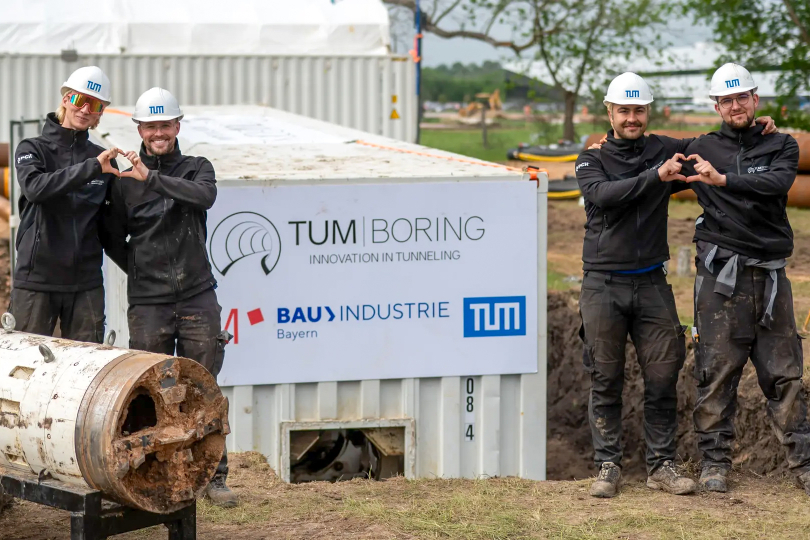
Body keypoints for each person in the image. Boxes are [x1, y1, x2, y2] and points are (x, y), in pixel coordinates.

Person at [102, 87, 237, 508]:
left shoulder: (198, 168)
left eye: (165, 125)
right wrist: (141, 271)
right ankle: (148, 475)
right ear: (139, 128)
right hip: (149, 303)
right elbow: (111, 237)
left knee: (203, 387)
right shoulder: (122, 184)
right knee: (148, 392)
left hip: (197, 297)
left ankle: (214, 477)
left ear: (177, 126)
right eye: (151, 126)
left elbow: (205, 197)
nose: (158, 133)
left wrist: (151, 178)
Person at [682, 63, 810, 495]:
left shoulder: (782, 145)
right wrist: (608, 141)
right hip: (721, 280)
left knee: (786, 374)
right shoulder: (700, 146)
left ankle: (804, 464)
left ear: (756, 99)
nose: (735, 106)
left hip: (771, 279)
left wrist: (725, 180)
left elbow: (776, 183)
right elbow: (644, 148)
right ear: (715, 105)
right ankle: (714, 462)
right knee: (716, 372)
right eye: (727, 100)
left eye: (743, 98)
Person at [11, 66, 121, 342]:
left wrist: (142, 271)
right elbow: (36, 189)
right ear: (64, 100)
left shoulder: (103, 159)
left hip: (86, 286)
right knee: (27, 368)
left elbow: (111, 228)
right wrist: (92, 168)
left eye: (93, 104)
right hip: (37, 282)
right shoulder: (32, 149)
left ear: (100, 112)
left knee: (88, 371)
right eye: (77, 100)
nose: (84, 109)